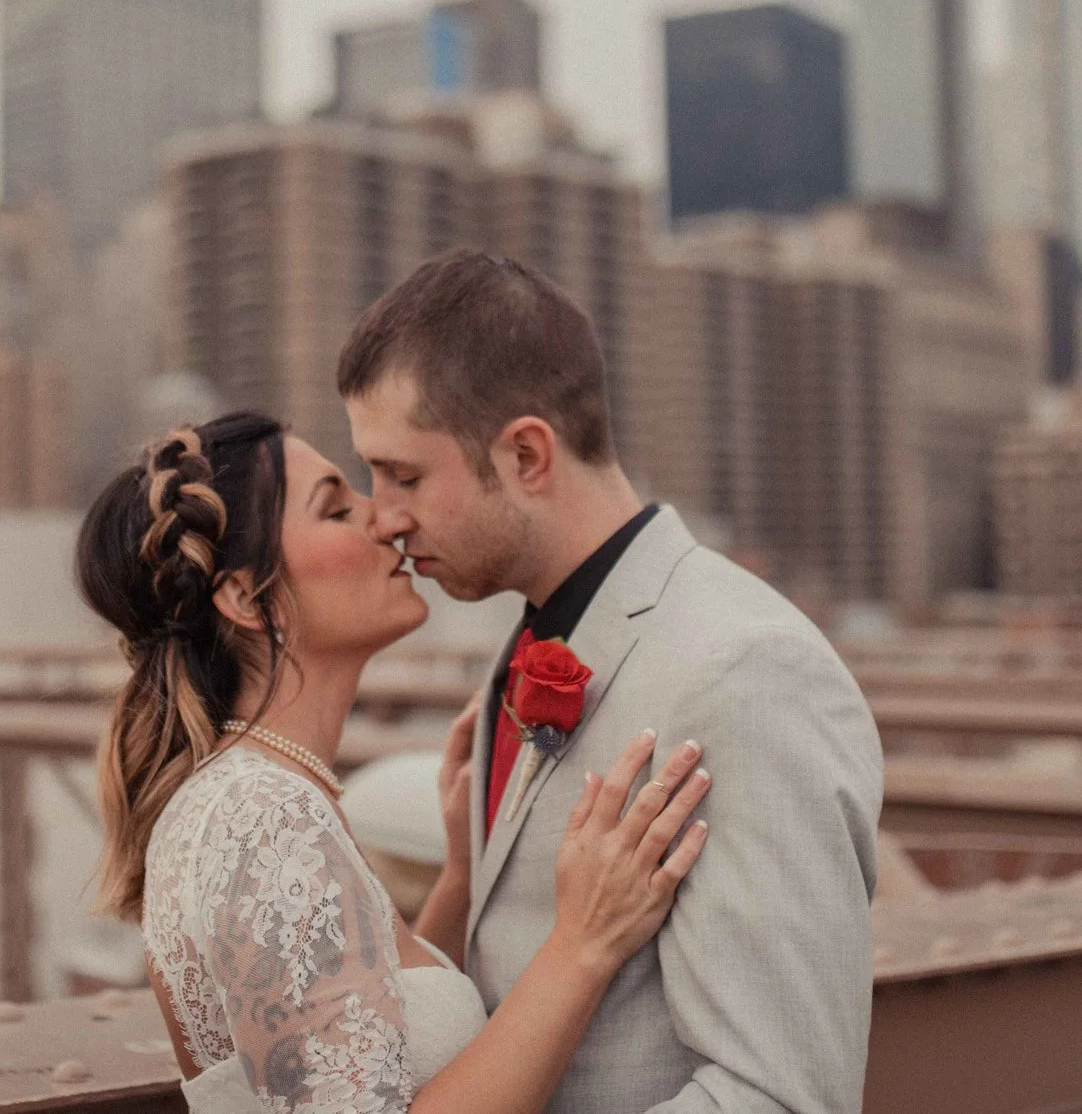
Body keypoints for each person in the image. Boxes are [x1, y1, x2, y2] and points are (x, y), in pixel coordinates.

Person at [342, 250, 882, 1114]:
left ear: (527, 454)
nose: (382, 516)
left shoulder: (744, 671)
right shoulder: (526, 638)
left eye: (405, 475)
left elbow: (780, 1096)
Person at [78, 410, 713, 1113]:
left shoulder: (257, 795)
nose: (382, 519)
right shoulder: (262, 817)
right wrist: (585, 942)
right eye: (336, 508)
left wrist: (461, 872)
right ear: (245, 597)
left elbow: (369, 1038)